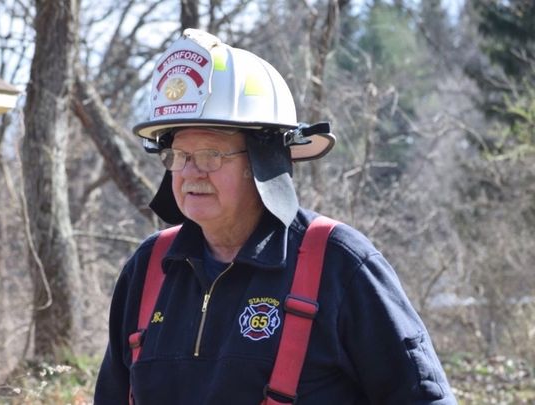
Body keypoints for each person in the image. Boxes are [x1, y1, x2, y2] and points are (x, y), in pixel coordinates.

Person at [94, 29, 456, 404]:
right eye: (180, 155)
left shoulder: (339, 265)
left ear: (263, 161)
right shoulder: (148, 269)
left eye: (210, 155)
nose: (190, 172)